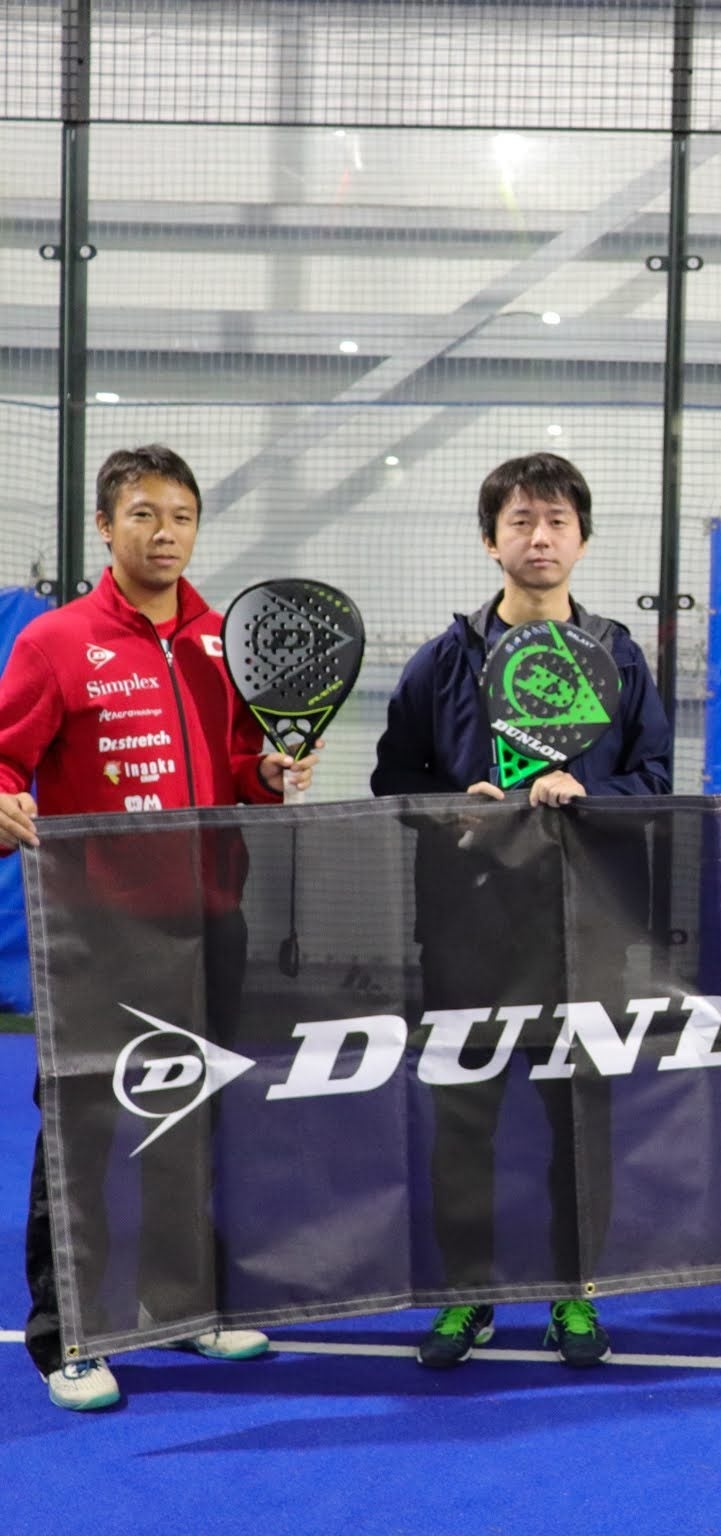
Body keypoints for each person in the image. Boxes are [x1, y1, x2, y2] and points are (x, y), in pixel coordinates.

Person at [0, 445, 315, 1411]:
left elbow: (242, 765)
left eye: (180, 516)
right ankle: (69, 1333)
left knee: (194, 1117)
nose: (164, 533)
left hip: (212, 921)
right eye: (142, 514)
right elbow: (4, 760)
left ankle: (186, 1304)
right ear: (105, 527)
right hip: (94, 930)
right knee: (84, 1126)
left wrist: (269, 776)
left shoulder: (226, 639)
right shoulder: (54, 642)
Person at [372, 452, 672, 1369]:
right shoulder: (443, 660)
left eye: (556, 522)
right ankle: (467, 1298)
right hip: (466, 935)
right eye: (520, 522)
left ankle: (574, 1292)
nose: (539, 538)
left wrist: (589, 792)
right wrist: (448, 807)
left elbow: (656, 780)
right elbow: (393, 777)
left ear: (582, 539)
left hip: (586, 934)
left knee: (579, 1122)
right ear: (490, 540)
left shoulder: (620, 656)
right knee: (462, 1124)